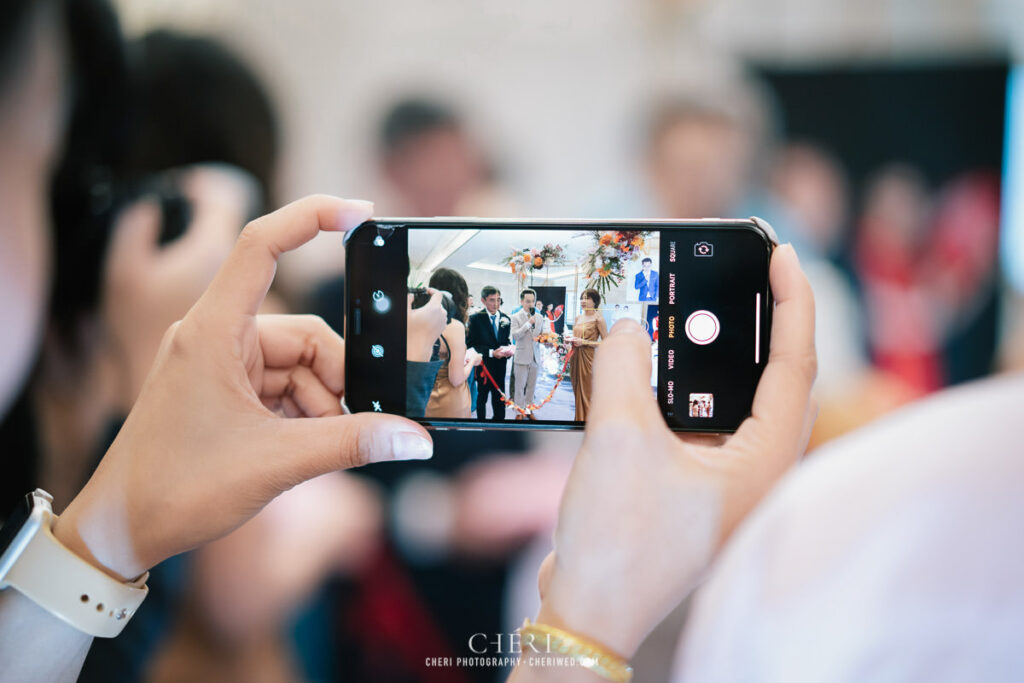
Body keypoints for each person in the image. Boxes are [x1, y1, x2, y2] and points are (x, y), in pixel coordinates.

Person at [424, 268, 481, 419]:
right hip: (450, 402)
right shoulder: (454, 326)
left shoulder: (417, 320)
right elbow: (455, 379)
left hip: (425, 398)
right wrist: (472, 361)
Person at [466, 286, 513, 421]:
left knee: (499, 397)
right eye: (492, 300)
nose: (496, 304)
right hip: (484, 367)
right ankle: (481, 424)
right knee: (482, 397)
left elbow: (505, 340)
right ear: (483, 300)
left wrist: (508, 350)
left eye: (498, 300)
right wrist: (492, 353)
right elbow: (470, 345)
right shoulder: (475, 319)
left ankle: (500, 424)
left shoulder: (505, 318)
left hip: (500, 366)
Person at [567, 288, 608, 422]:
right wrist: (569, 341)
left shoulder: (598, 319)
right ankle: (578, 421)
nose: (583, 301)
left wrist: (584, 342)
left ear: (595, 301)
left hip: (588, 359)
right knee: (577, 392)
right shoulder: (578, 317)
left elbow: (606, 343)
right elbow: (575, 337)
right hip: (575, 357)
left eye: (587, 298)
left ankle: (589, 425)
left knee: (587, 394)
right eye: (582, 298)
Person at [510, 289, 549, 420]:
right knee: (519, 387)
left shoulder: (539, 317)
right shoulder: (515, 317)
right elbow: (515, 335)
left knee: (532, 387)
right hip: (521, 357)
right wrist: (528, 324)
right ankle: (518, 412)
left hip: (535, 357)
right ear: (521, 301)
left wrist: (547, 339)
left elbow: (542, 334)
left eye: (533, 301)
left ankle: (528, 409)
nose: (530, 304)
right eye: (527, 301)